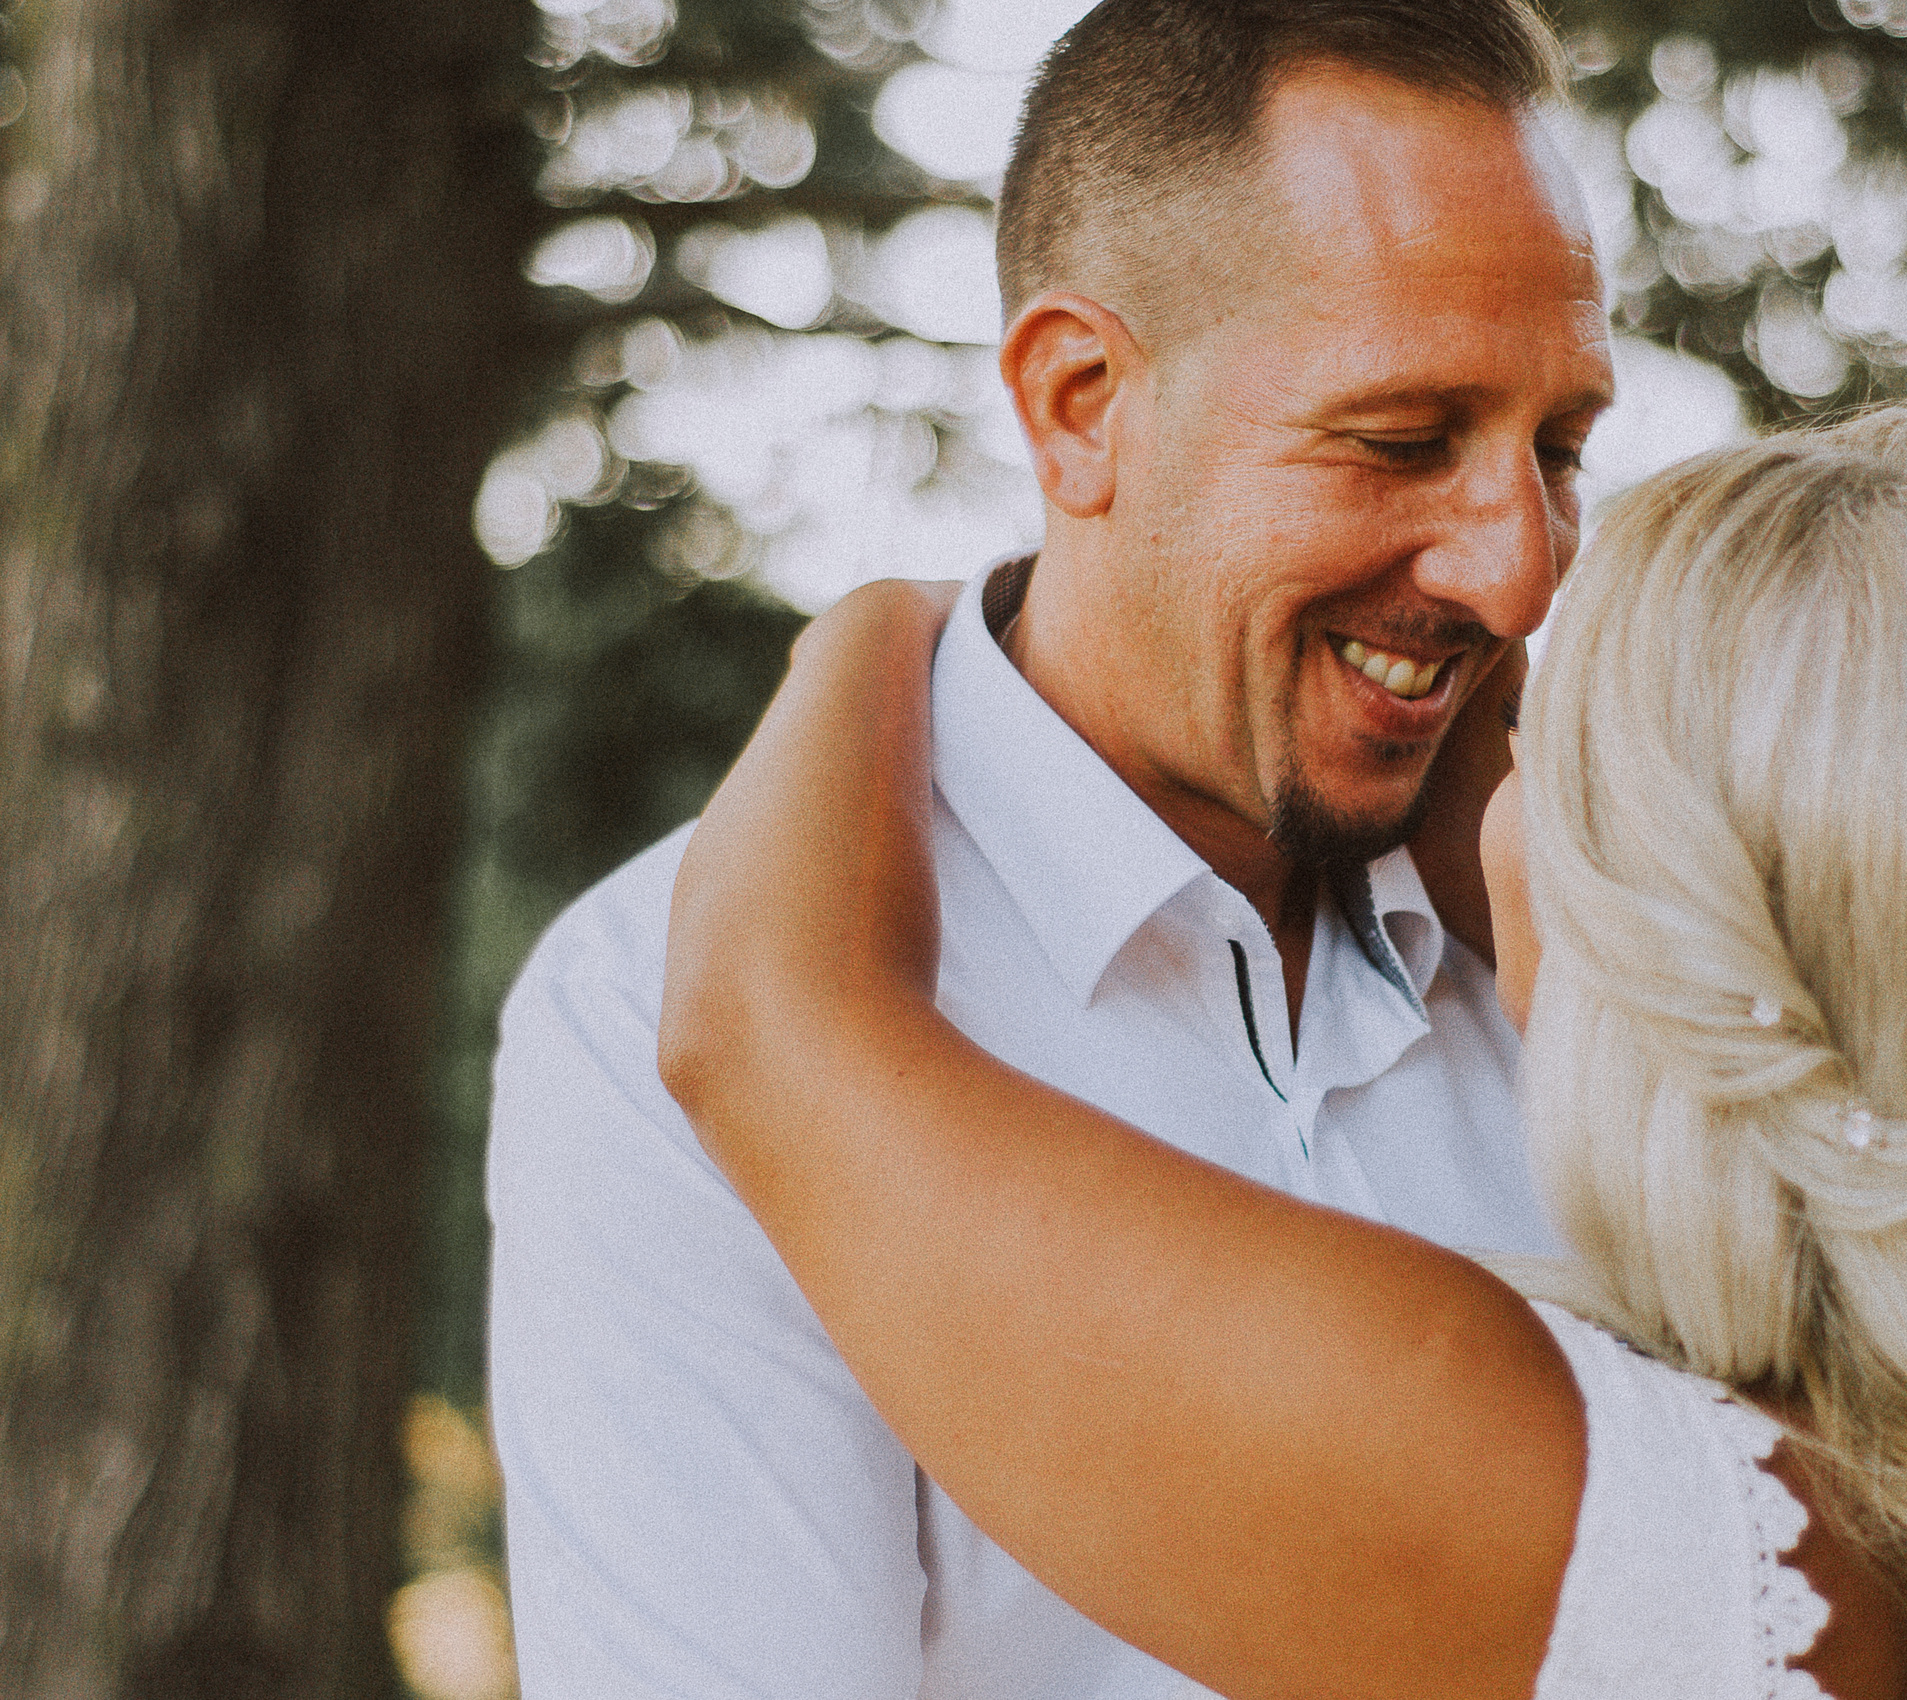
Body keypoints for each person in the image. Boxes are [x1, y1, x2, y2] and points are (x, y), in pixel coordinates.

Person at [659, 409, 1907, 1700]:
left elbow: (767, 1033)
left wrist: (883, 626)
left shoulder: (1622, 1520)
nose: (1494, 760)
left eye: (1554, 748)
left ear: (1701, 932)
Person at [486, 3, 1615, 1693]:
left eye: (1560, 449)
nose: (1518, 573)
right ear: (1080, 404)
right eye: (1401, 441)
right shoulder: (658, 1017)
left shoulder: (1627, 967)